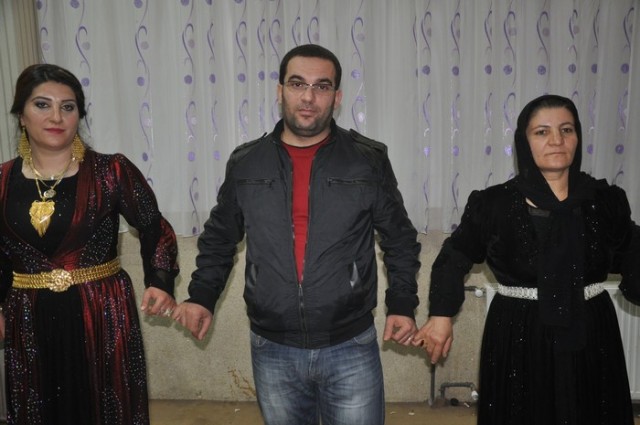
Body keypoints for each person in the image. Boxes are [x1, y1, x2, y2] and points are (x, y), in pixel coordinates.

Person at [172, 44, 421, 425]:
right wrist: (202, 297)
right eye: (297, 84)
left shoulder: (367, 160)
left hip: (350, 344)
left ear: (337, 97)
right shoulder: (246, 162)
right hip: (273, 346)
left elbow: (399, 238)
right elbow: (220, 238)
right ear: (280, 91)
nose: (308, 97)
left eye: (322, 86)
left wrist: (402, 303)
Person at [413, 94, 640, 425]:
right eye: (542, 132)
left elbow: (631, 250)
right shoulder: (494, 204)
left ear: (578, 137)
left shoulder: (606, 201)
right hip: (518, 332)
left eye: (566, 129)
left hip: (591, 331)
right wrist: (441, 315)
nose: (557, 140)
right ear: (524, 141)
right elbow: (455, 255)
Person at [0, 64, 180, 425]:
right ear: (21, 115)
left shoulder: (111, 172)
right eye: (42, 105)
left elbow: (153, 227)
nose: (56, 117)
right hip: (28, 317)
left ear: (79, 116)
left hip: (101, 311)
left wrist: (160, 281)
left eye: (67, 107)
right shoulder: (2, 180)